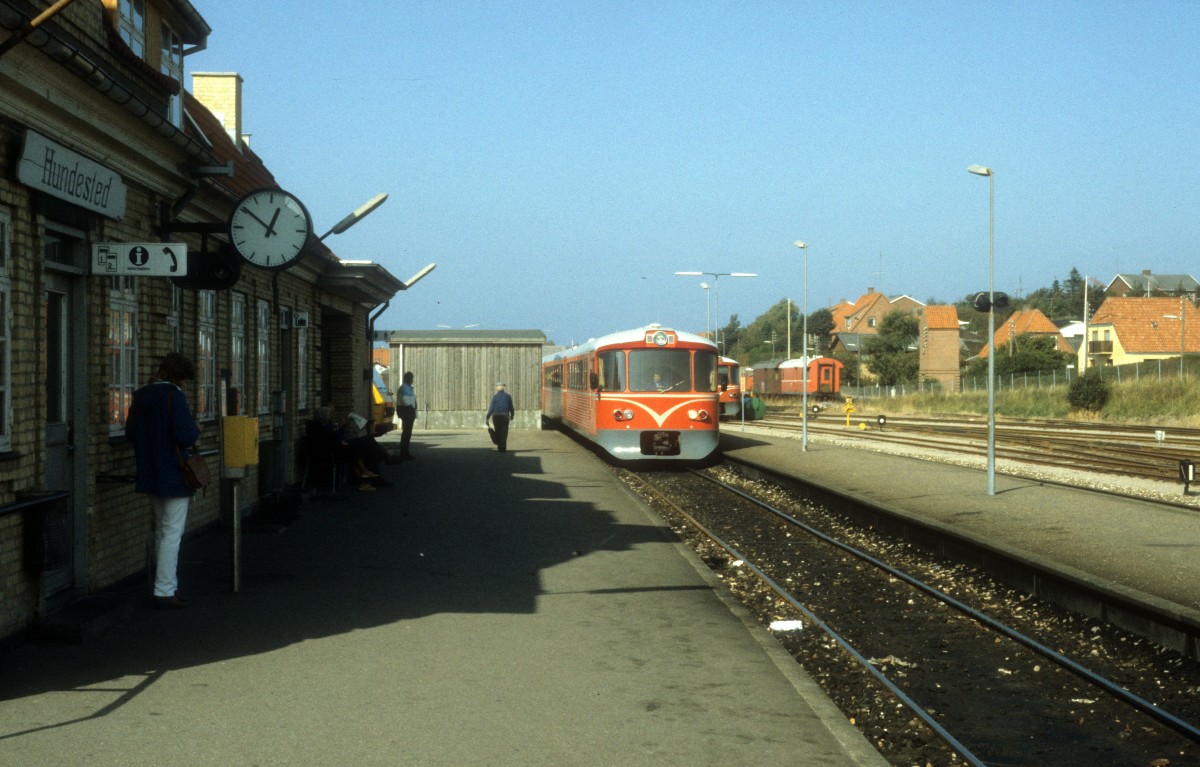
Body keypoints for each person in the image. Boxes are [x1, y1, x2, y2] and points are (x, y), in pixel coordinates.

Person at [125, 352, 202, 610]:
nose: (187, 384)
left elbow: (131, 433)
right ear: (180, 376)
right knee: (172, 533)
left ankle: (163, 583)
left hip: (150, 471)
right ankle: (165, 590)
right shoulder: (174, 396)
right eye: (187, 379)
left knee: (160, 530)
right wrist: (196, 429)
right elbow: (184, 434)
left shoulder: (140, 396)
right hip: (175, 473)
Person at [485, 382, 515, 452]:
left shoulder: (494, 397)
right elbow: (511, 407)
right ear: (503, 388)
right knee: (504, 431)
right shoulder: (508, 396)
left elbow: (491, 408)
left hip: (496, 416)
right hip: (505, 415)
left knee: (498, 430)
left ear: (497, 388)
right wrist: (512, 415)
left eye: (496, 387)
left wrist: (487, 417)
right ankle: (503, 447)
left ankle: (499, 445)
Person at [397, 371, 417, 459]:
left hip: (407, 412)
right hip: (407, 413)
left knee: (407, 433)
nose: (413, 380)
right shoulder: (405, 388)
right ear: (410, 379)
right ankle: (404, 452)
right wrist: (412, 411)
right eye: (412, 378)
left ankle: (405, 451)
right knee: (406, 433)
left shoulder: (407, 387)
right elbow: (406, 402)